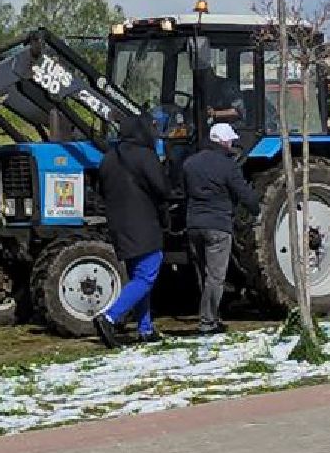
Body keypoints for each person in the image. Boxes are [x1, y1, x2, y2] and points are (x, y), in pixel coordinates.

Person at [93, 111, 172, 347]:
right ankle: (109, 317)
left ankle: (145, 328)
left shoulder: (108, 158)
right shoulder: (145, 156)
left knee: (138, 277)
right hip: (143, 223)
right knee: (147, 274)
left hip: (118, 225)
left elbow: (100, 190)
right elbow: (162, 188)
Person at [181, 122, 260, 335]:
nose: (232, 143)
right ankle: (208, 322)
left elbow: (184, 191)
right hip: (218, 226)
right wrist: (256, 208)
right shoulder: (228, 166)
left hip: (194, 225)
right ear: (224, 142)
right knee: (216, 277)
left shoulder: (190, 163)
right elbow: (244, 194)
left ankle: (212, 316)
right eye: (231, 140)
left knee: (203, 274)